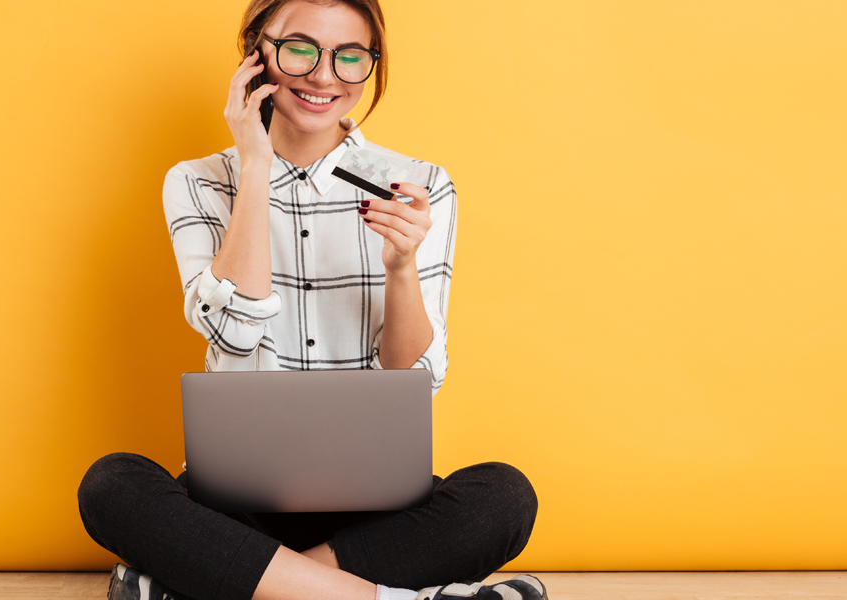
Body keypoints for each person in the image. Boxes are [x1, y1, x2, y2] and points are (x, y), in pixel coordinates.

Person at [77, 1, 543, 599]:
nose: (324, 77)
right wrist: (254, 165)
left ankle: (233, 581)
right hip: (235, 504)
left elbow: (416, 379)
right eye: (301, 49)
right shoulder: (195, 182)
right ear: (256, 51)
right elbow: (235, 334)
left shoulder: (419, 186)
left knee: (503, 497)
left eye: (351, 58)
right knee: (111, 486)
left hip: (372, 510)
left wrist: (401, 270)